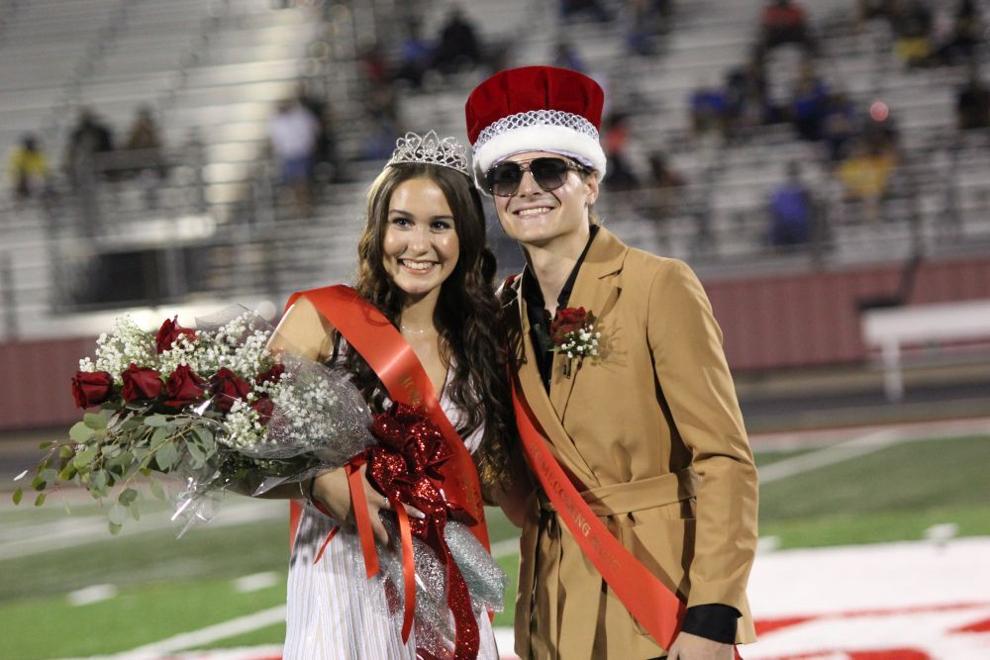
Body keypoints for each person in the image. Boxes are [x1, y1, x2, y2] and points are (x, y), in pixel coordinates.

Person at [465, 65, 758, 659]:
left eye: (549, 169)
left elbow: (724, 459)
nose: (526, 188)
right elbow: (519, 493)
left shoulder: (659, 285)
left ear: (590, 181)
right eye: (505, 175)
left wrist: (714, 613)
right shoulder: (499, 315)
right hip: (554, 603)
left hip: (658, 593)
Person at [266, 131, 514, 658]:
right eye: (401, 222)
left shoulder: (484, 343)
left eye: (439, 225)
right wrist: (317, 483)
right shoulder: (322, 321)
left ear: (465, 238)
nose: (417, 244)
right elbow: (241, 453)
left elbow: (490, 478)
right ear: (378, 230)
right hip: (339, 585)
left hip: (447, 583)